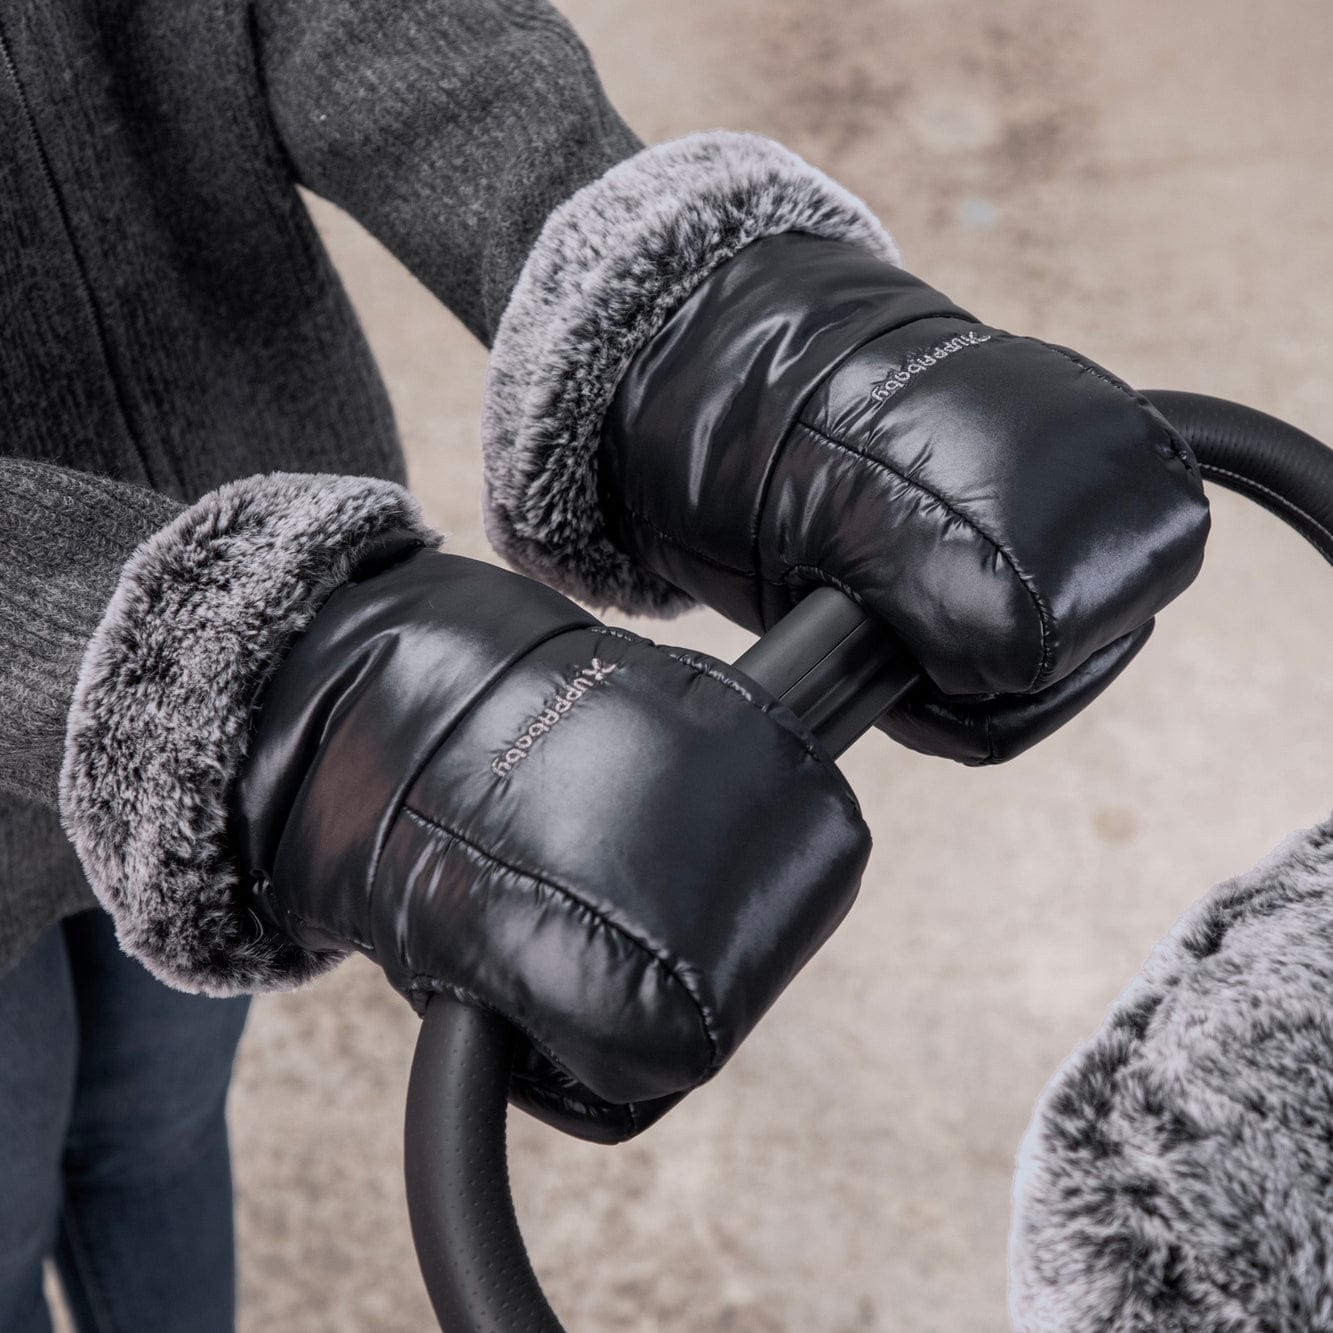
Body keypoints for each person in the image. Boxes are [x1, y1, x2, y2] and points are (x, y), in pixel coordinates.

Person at [0, 1, 1210, 1328]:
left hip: (232, 769)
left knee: (156, 1131)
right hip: (200, 733)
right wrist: (297, 693)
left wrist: (729, 351)